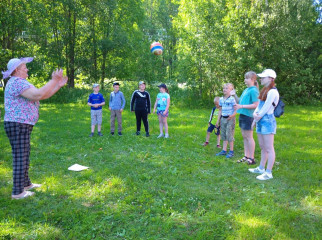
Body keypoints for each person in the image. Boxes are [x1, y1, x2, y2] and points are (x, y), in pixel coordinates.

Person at [2, 57, 67, 199]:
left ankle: (25, 184)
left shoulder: (20, 82)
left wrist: (57, 85)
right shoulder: (17, 82)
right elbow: (38, 94)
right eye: (25, 66)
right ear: (17, 70)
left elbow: (42, 95)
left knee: (24, 154)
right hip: (18, 124)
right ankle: (18, 192)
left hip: (21, 124)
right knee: (20, 156)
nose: (27, 69)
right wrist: (54, 80)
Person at [249, 69, 279, 180]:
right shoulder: (265, 90)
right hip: (260, 119)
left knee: (269, 148)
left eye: (263, 77)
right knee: (262, 147)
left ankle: (268, 172)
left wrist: (257, 117)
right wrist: (255, 118)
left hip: (267, 121)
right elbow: (259, 106)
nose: (261, 79)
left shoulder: (273, 92)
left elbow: (266, 108)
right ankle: (261, 168)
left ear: (271, 78)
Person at [231, 71, 259, 164]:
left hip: (249, 116)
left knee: (249, 137)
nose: (244, 80)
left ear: (252, 79)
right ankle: (246, 156)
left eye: (246, 78)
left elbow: (256, 105)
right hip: (243, 115)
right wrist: (234, 95)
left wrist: (241, 106)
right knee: (244, 136)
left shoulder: (254, 90)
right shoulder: (246, 90)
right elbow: (240, 101)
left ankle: (252, 158)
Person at [215, 83, 237, 158]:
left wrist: (232, 115)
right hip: (223, 119)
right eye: (224, 88)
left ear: (231, 90)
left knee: (229, 134)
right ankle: (224, 150)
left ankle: (231, 151)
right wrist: (218, 121)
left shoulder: (232, 99)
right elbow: (220, 111)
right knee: (223, 134)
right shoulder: (221, 99)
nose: (224, 89)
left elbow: (236, 109)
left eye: (227, 88)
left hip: (230, 119)